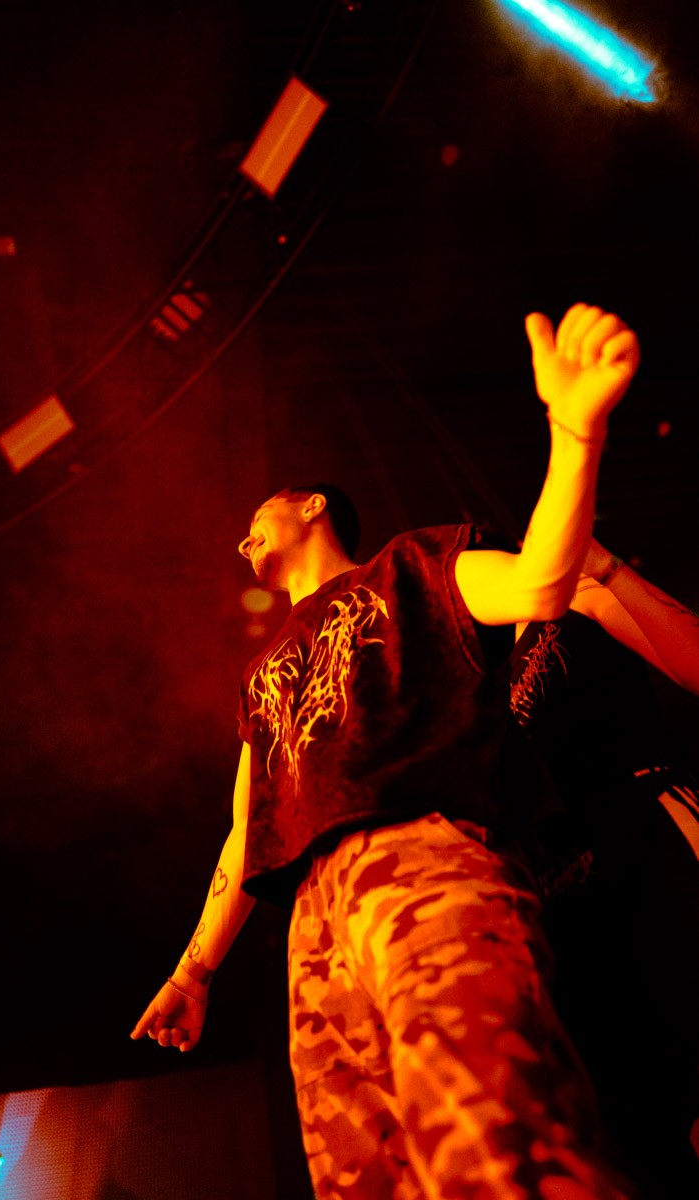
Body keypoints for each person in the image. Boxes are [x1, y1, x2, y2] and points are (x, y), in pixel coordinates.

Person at [131, 302, 642, 1199]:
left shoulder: (412, 566)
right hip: (312, 923)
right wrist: (194, 971)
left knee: (495, 1135)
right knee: (367, 1180)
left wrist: (575, 434)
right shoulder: (259, 675)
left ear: (312, 507)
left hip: (424, 854)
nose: (241, 537)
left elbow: (540, 585)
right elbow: (246, 832)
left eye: (257, 515)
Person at [511, 538, 699, 1195]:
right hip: (569, 898)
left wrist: (607, 569)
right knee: (642, 1114)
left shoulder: (573, 601)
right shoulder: (467, 681)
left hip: (650, 827)